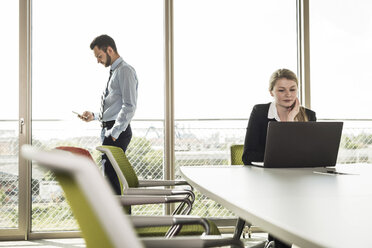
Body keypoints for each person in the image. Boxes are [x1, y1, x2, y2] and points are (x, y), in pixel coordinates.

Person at [242, 68, 316, 248]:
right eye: (281, 90)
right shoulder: (260, 112)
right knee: (285, 205)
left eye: (292, 89)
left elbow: (312, 156)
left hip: (299, 184)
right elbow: (248, 155)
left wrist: (292, 119)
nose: (288, 95)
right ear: (271, 92)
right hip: (265, 182)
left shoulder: (309, 115)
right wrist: (288, 124)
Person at [79, 34, 138, 195]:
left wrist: (114, 132)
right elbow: (115, 106)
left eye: (99, 56)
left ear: (110, 50)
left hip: (116, 131)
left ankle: (119, 219)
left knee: (111, 179)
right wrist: (94, 116)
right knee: (111, 177)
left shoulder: (125, 71)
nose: (98, 60)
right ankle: (120, 218)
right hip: (109, 128)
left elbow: (129, 105)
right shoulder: (115, 71)